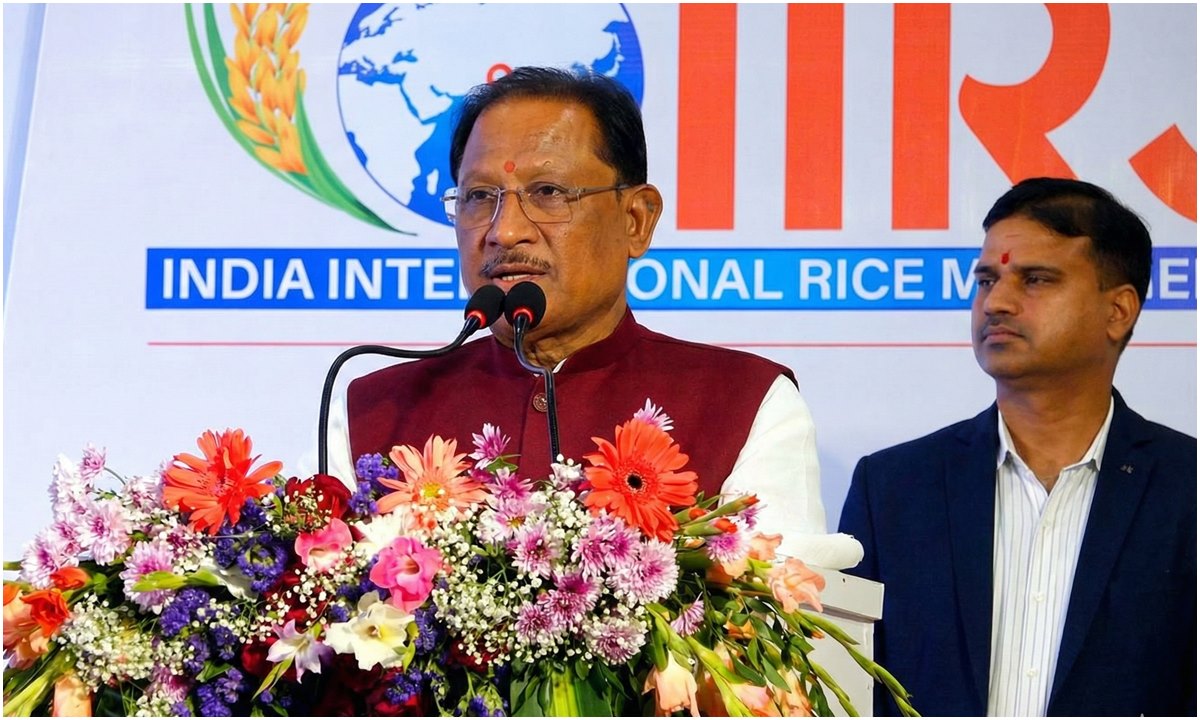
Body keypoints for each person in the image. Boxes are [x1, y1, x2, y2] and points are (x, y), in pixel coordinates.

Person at [325, 66, 830, 552]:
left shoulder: (743, 403)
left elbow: (780, 602)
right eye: (479, 196)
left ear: (636, 220)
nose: (504, 231)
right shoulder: (371, 410)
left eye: (548, 192)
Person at [839, 177, 1196, 716]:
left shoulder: (1186, 488)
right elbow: (848, 689)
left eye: (1036, 279)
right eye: (987, 280)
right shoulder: (893, 489)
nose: (997, 303)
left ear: (1118, 311)